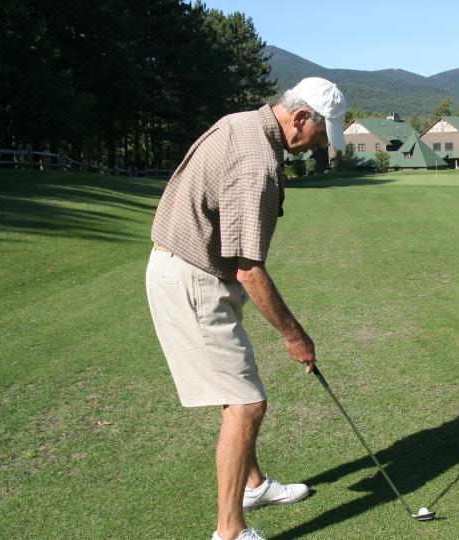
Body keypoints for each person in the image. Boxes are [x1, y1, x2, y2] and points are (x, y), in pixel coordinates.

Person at [145, 77, 347, 540]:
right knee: (246, 402)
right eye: (319, 136)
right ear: (300, 118)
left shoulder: (241, 123)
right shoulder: (259, 163)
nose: (318, 146)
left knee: (237, 385)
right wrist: (295, 336)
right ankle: (230, 532)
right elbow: (249, 269)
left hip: (187, 266)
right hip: (192, 277)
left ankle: (252, 486)